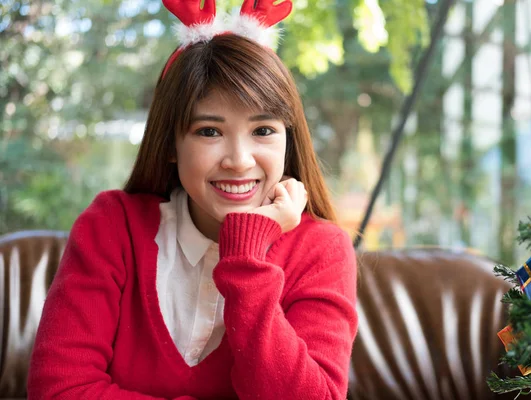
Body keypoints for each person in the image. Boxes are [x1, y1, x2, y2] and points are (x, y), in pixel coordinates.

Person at [27, 0, 358, 399]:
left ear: (288, 140)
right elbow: (59, 389)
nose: (239, 161)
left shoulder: (321, 249)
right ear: (170, 143)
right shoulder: (112, 226)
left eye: (264, 130)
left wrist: (247, 256)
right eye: (208, 132)